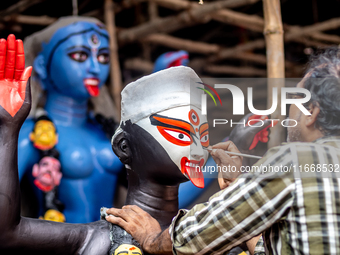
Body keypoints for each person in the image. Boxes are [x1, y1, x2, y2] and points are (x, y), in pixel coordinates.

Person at [106, 46, 340, 255]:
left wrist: (153, 239)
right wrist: (241, 190)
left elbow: (200, 235)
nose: (196, 148)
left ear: (312, 112)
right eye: (181, 133)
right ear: (123, 145)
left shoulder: (295, 160)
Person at [19, 16, 124, 223]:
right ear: (41, 65)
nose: (95, 68)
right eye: (79, 55)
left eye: (103, 57)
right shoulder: (28, 135)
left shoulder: (108, 132)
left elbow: (159, 197)